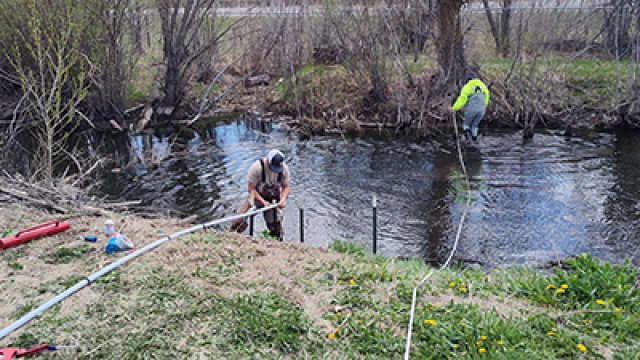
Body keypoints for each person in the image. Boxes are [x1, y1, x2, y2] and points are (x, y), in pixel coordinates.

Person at [230, 149, 290, 240]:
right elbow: (251, 189)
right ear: (268, 161)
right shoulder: (257, 168)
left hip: (273, 198)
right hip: (255, 196)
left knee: (275, 225)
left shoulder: (284, 169)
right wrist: (262, 201)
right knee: (239, 220)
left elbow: (286, 187)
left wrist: (282, 200)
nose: (275, 170)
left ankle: (277, 242)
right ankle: (232, 236)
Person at [450, 73, 490, 143]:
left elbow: (462, 99)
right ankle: (474, 140)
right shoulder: (483, 86)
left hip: (472, 109)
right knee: (474, 125)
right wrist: (483, 107)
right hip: (482, 110)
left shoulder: (468, 86)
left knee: (466, 125)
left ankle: (468, 140)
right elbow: (486, 99)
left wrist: (454, 108)